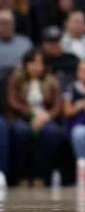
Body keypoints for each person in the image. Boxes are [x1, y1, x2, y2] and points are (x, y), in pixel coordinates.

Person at [5, 48, 66, 184]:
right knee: (21, 132)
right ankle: (21, 176)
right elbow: (12, 101)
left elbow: (57, 105)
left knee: (51, 133)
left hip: (45, 118)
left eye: (40, 64)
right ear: (26, 64)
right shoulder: (16, 78)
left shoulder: (52, 81)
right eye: (33, 63)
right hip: (21, 117)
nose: (37, 67)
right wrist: (31, 113)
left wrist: (46, 117)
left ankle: (42, 176)